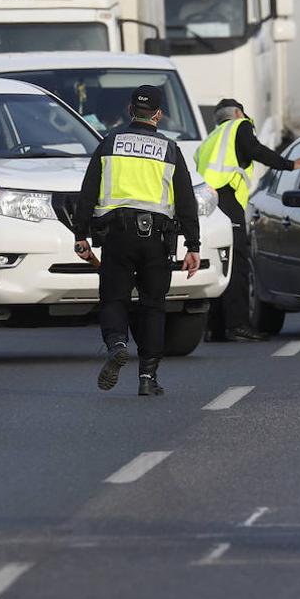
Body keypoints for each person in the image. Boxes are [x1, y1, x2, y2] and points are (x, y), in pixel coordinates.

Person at [72, 85, 201, 396]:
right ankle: (147, 377)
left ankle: (117, 343)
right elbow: (186, 201)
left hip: (117, 236)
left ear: (130, 110)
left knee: (114, 299)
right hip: (157, 239)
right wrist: (193, 245)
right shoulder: (170, 149)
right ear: (158, 114)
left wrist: (80, 235)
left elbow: (88, 193)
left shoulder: (109, 143)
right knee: (153, 306)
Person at [195, 98, 300, 342]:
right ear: (238, 113)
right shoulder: (238, 127)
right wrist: (290, 165)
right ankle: (238, 325)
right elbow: (256, 150)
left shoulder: (208, 140)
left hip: (209, 205)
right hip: (228, 201)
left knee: (222, 265)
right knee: (237, 265)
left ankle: (215, 327)